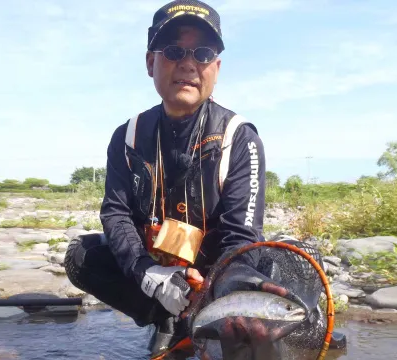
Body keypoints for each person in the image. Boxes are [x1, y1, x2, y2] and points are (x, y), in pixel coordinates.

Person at [64, 1, 288, 358]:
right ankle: (167, 319)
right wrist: (147, 272)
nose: (188, 63)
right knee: (81, 256)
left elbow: (241, 235)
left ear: (216, 68)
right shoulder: (128, 136)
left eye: (202, 53)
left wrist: (225, 285)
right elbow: (116, 214)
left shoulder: (239, 137)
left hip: (218, 268)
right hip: (160, 266)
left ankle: (208, 318)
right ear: (151, 62)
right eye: (173, 50)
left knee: (263, 267)